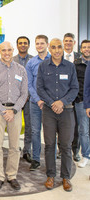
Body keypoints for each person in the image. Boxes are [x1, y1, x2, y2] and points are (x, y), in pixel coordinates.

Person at [37, 38, 78, 192]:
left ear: (63, 48)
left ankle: (66, 178)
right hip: (49, 111)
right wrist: (52, 103)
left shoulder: (70, 67)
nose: (56, 50)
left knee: (66, 146)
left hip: (66, 110)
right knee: (49, 145)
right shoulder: (43, 66)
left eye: (59, 47)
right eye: (53, 47)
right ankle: (50, 176)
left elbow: (74, 88)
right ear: (49, 48)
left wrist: (62, 102)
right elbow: (39, 88)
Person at [0, 41, 28, 191]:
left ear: (13, 50)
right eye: (3, 50)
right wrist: (3, 110)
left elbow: (24, 93)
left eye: (9, 50)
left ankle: (12, 175)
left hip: (15, 112)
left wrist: (14, 110)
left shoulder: (21, 69)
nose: (7, 53)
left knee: (14, 146)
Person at [26, 35, 50, 171]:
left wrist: (47, 100)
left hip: (50, 104)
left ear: (47, 44)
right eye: (37, 43)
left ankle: (50, 159)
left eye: (42, 43)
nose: (40, 46)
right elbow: (29, 84)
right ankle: (36, 159)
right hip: (35, 103)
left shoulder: (53, 60)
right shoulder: (31, 62)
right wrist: (38, 99)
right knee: (35, 131)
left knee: (50, 133)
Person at [13, 36, 33, 163]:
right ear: (17, 45)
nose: (23, 45)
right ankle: (14, 149)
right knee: (14, 125)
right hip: (15, 98)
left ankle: (27, 151)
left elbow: (34, 81)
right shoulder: (12, 60)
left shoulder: (34, 60)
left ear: (28, 45)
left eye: (25, 43)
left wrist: (27, 95)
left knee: (30, 126)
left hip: (30, 98)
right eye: (20, 43)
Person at [63, 33, 81, 162]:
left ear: (74, 43)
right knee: (61, 125)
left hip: (76, 97)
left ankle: (75, 150)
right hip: (61, 98)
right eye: (66, 41)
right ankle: (61, 149)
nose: (68, 43)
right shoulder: (57, 57)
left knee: (76, 125)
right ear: (63, 42)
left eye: (71, 41)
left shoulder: (79, 58)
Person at [74, 40, 90, 168]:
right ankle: (86, 155)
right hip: (82, 102)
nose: (86, 49)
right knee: (83, 130)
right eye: (84, 47)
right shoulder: (76, 64)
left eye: (89, 47)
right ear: (81, 49)